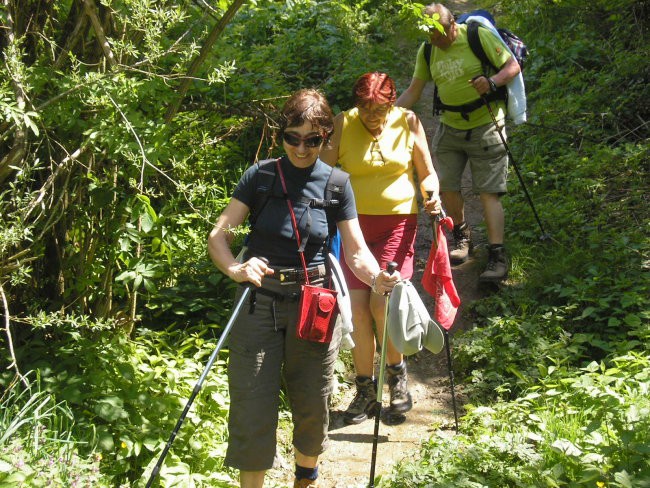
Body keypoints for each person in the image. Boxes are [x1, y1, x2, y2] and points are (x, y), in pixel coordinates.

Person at [207, 88, 400, 488]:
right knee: (252, 404)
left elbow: (357, 252)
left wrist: (378, 278)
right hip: (257, 303)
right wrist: (236, 268)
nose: (301, 147)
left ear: (326, 137)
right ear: (282, 135)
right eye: (292, 137)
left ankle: (304, 481)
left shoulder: (337, 184)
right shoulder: (260, 176)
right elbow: (218, 236)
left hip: (314, 308)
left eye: (312, 139)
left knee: (313, 402)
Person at [320, 72, 440, 425]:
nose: (372, 115)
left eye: (379, 108)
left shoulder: (409, 121)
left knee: (381, 301)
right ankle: (365, 390)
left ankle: (397, 375)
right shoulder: (344, 122)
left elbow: (427, 172)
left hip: (398, 224)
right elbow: (322, 171)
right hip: (354, 226)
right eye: (365, 108)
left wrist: (430, 195)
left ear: (391, 102)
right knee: (356, 310)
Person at [396, 3, 521, 282]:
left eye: (439, 36)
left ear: (452, 25)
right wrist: (385, 116)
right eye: (431, 37)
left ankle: (497, 255)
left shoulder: (477, 36)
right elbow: (414, 91)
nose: (436, 42)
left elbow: (512, 65)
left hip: (487, 125)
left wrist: (491, 81)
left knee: (488, 191)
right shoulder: (428, 49)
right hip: (450, 127)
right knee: (447, 186)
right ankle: (462, 239)